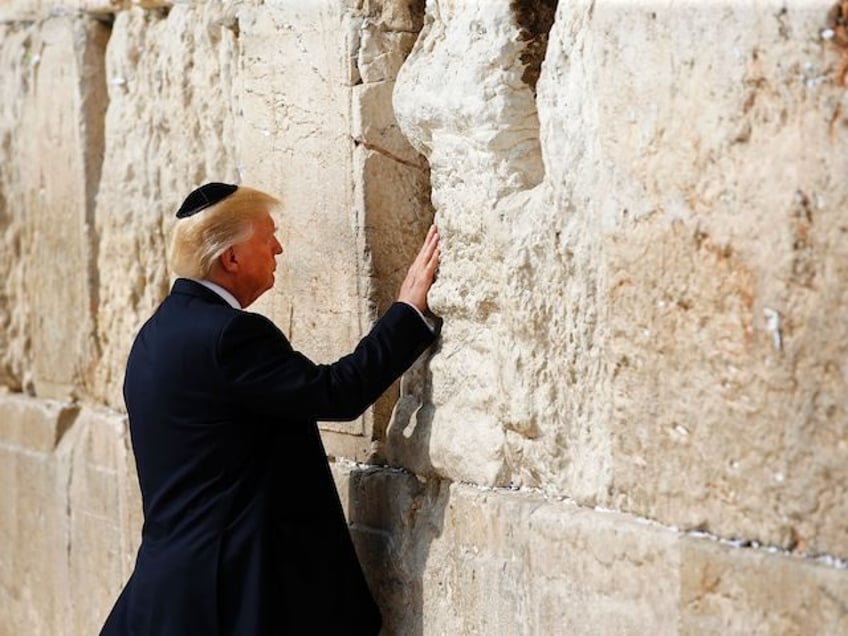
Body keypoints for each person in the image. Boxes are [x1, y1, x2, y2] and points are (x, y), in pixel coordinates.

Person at [100, 182, 440, 635]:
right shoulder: (229, 337)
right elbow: (335, 393)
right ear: (231, 258)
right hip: (236, 596)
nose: (278, 247)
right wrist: (407, 311)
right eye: (267, 236)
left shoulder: (153, 336)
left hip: (173, 593)